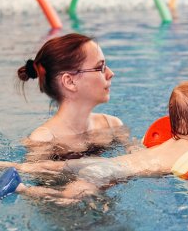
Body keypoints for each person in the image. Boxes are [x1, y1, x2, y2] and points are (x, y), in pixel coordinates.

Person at [0, 81, 188, 202]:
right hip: (110, 172)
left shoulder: (170, 143)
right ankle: (20, 190)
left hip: (103, 162)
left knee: (48, 168)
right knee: (70, 198)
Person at [12, 33, 132, 161]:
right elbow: (32, 172)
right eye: (100, 67)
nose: (111, 73)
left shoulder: (112, 126)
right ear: (70, 82)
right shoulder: (44, 139)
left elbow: (136, 157)